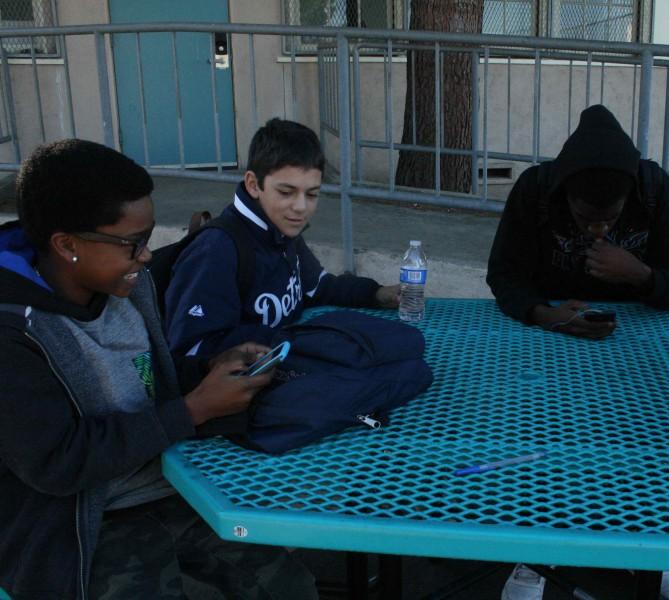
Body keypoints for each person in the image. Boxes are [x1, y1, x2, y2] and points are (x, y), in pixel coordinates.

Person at [0, 139, 318, 599]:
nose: (147, 257)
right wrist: (192, 410)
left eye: (147, 240)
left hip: (173, 485)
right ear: (67, 244)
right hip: (81, 523)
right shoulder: (14, 332)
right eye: (133, 244)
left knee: (290, 588)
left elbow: (147, 381)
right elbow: (57, 462)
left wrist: (210, 370)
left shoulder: (129, 285)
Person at [165, 118, 399, 359]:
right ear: (254, 185)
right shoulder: (216, 250)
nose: (300, 207)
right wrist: (289, 341)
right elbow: (190, 350)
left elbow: (316, 287)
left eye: (312, 194)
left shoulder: (281, 227)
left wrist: (375, 293)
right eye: (286, 192)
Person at [486, 104, 669, 340]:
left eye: (611, 218)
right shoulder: (536, 190)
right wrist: (542, 314)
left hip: (636, 334)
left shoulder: (653, 190)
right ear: (565, 195)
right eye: (584, 218)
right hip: (548, 333)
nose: (599, 230)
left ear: (628, 199)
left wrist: (641, 275)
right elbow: (503, 274)